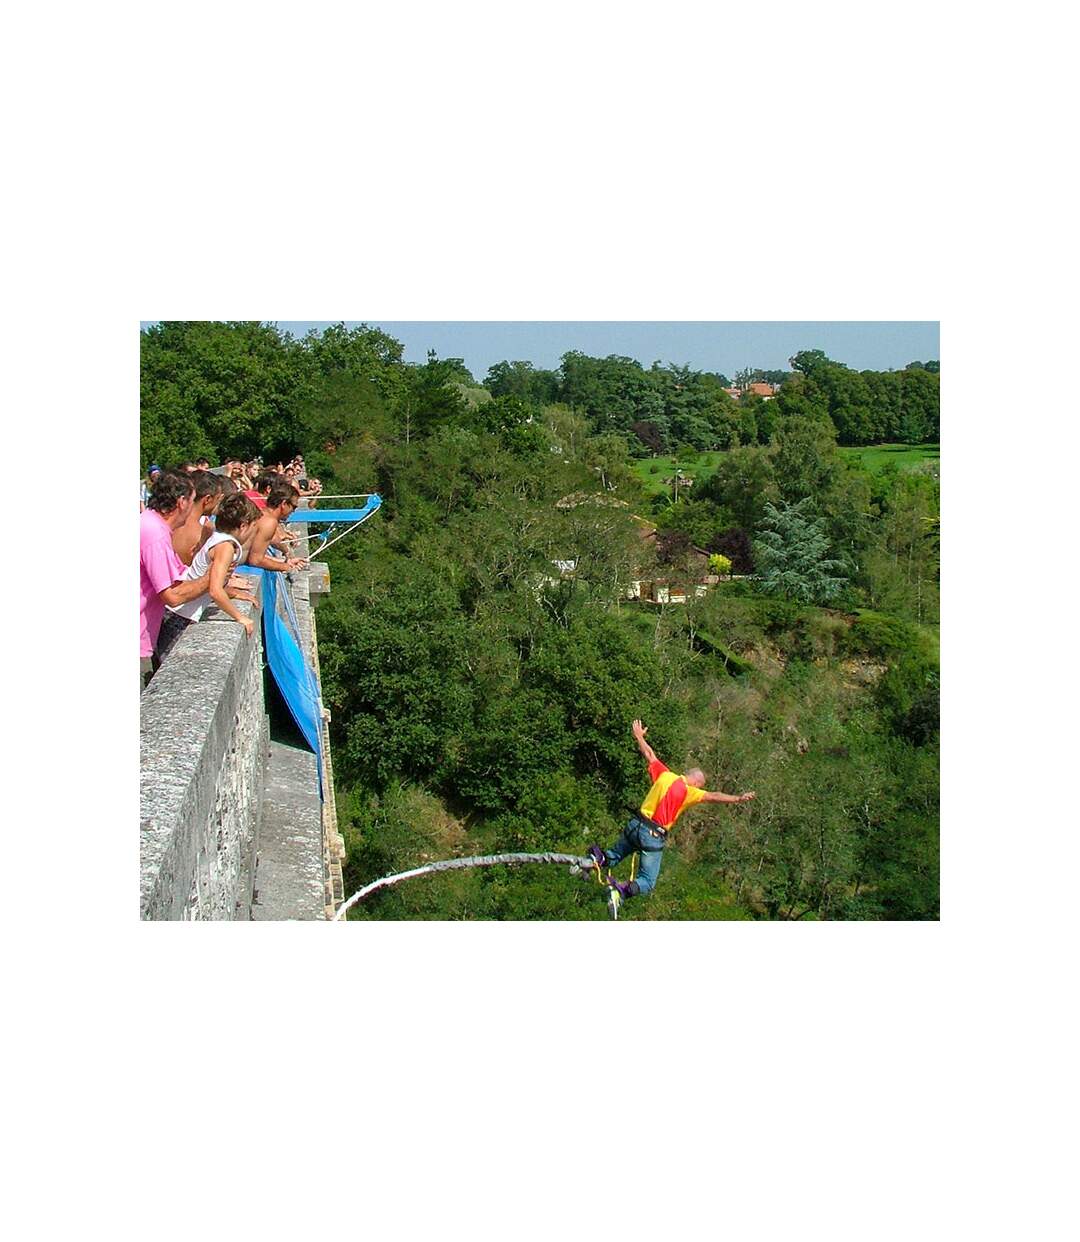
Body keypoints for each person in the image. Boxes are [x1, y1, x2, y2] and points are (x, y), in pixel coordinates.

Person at [585, 719, 755, 910]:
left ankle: (596, 858)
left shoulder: (665, 775)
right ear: (697, 783)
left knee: (614, 856)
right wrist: (738, 798)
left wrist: (639, 736)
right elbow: (714, 796)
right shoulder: (690, 791)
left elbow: (649, 754)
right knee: (647, 882)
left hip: (635, 825)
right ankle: (620, 891)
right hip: (652, 836)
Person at [155, 493, 261, 659]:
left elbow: (213, 582)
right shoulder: (225, 546)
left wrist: (235, 593)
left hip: (174, 613)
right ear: (243, 526)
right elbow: (215, 591)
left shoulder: (217, 538)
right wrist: (241, 617)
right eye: (254, 527)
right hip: (180, 616)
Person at [140, 470, 212, 688]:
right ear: (181, 502)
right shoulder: (155, 534)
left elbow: (181, 574)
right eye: (191, 501)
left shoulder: (150, 524)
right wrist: (212, 579)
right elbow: (172, 595)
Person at [246, 481, 307, 573]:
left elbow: (252, 554)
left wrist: (286, 562)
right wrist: (286, 567)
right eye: (293, 507)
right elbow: (256, 560)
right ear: (284, 504)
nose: (293, 511)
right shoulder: (270, 522)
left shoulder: (262, 513)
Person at [173, 470, 223, 565]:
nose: (218, 504)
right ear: (207, 499)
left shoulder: (169, 526)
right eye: (217, 499)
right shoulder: (203, 536)